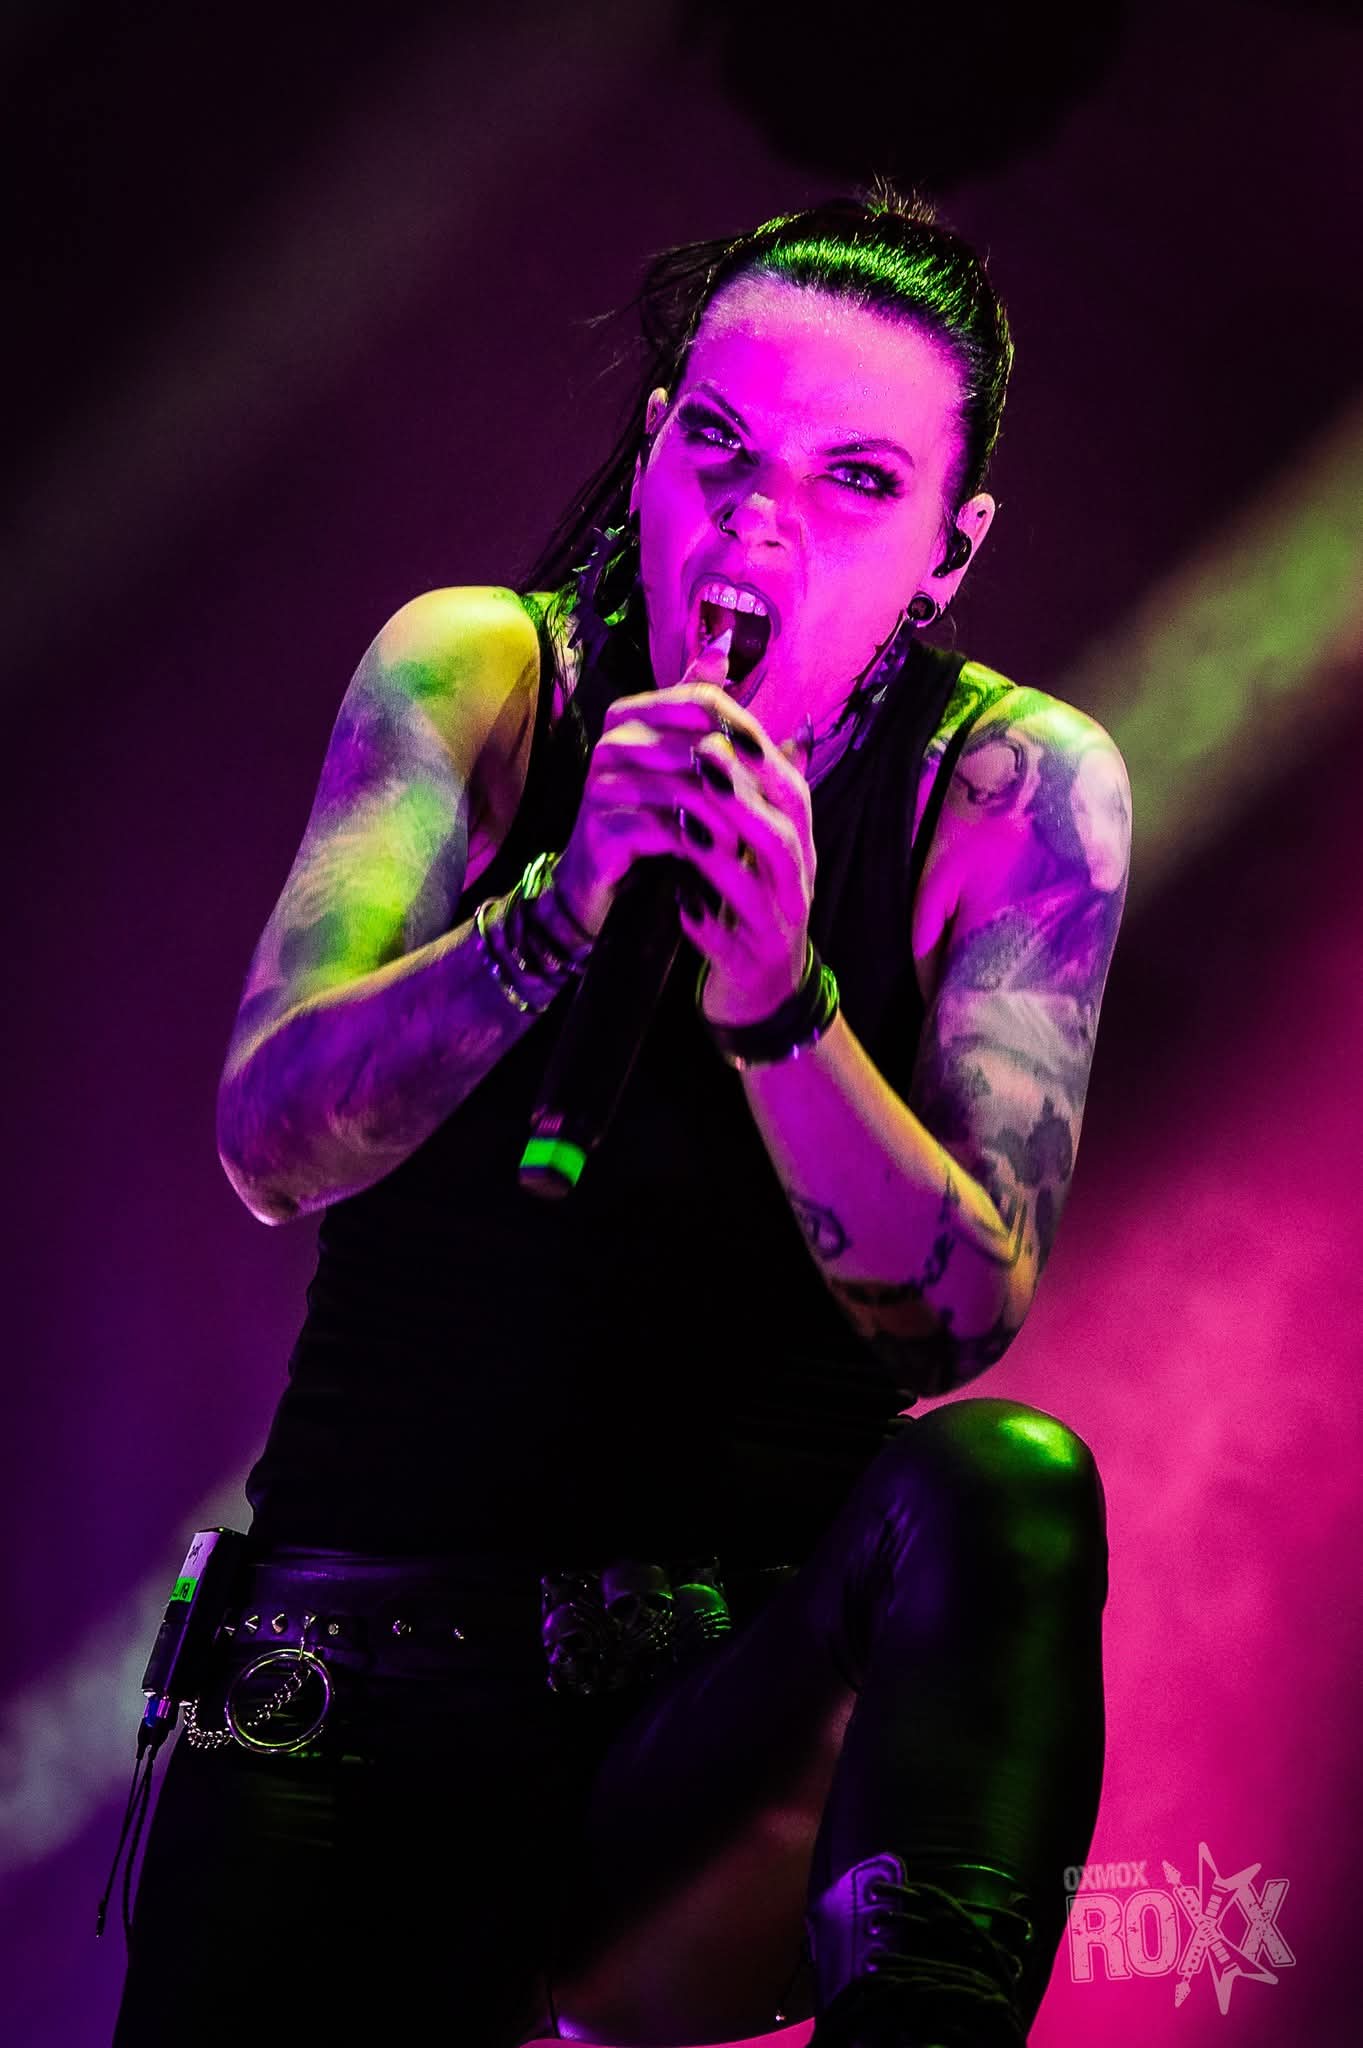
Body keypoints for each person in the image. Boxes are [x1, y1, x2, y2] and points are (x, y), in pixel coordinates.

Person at [112, 185, 1132, 2048]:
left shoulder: (1012, 788)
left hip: (709, 1736)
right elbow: (270, 1143)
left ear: (949, 548)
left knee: (1003, 1488)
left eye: (855, 482)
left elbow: (958, 1317)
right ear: (653, 448)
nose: (760, 525)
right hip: (349, 1682)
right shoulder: (480, 673)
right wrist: (559, 911)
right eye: (720, 447)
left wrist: (779, 1002)